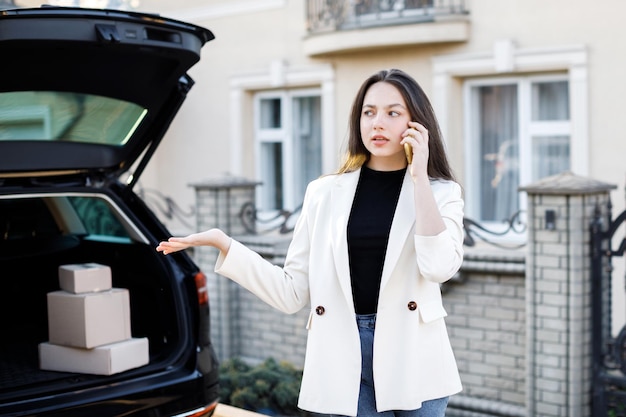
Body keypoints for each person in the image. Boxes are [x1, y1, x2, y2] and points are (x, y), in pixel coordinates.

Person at [157, 68, 464, 417]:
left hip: (415, 356)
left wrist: (420, 177)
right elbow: (292, 293)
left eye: (393, 113)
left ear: (416, 124)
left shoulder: (441, 192)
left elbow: (439, 267)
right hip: (344, 352)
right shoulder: (324, 193)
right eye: (369, 112)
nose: (377, 123)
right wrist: (225, 245)